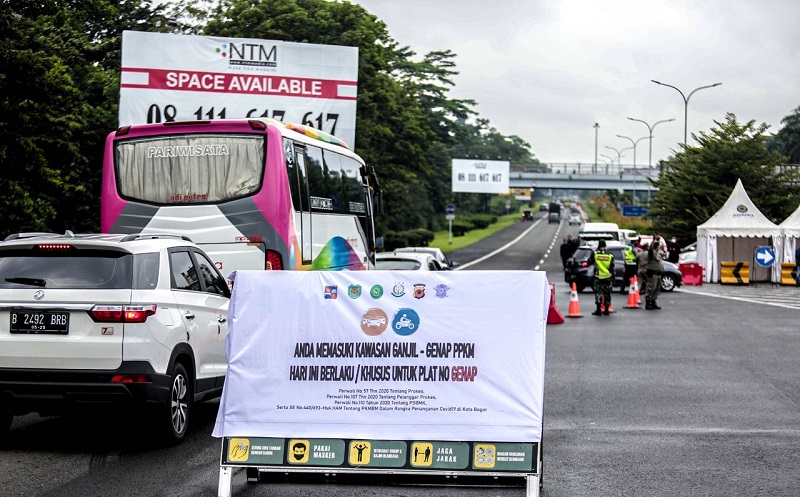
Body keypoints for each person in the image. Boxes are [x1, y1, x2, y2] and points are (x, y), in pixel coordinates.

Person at [591, 239, 614, 316]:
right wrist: (613, 278)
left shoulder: (595, 254)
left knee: (598, 293)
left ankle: (598, 310)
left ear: (599, 245)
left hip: (598, 277)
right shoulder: (610, 255)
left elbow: (590, 261)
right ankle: (606, 310)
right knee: (607, 294)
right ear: (605, 246)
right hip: (608, 277)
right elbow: (612, 268)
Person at [645, 236, 665, 310]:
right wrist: (653, 240)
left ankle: (653, 302)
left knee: (657, 289)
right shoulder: (651, 253)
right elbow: (650, 248)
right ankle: (648, 303)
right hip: (653, 274)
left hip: (658, 274)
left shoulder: (657, 254)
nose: (659, 248)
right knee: (650, 288)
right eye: (658, 246)